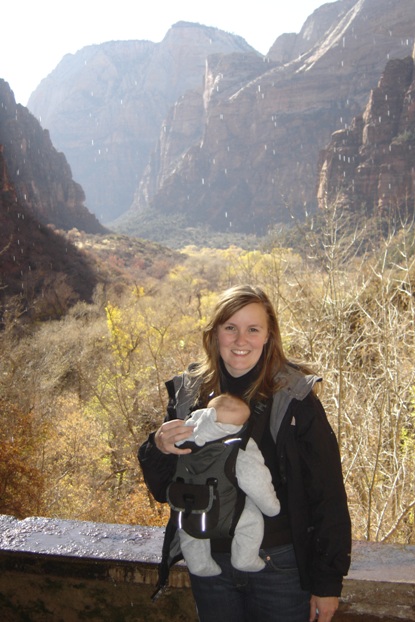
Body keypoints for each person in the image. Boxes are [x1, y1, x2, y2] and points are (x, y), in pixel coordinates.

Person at [138, 284, 351, 622]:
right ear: (215, 334)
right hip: (209, 561)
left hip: (279, 565)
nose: (241, 341)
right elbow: (162, 488)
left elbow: (327, 493)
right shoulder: (189, 394)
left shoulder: (294, 398)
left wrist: (327, 583)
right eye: (230, 328)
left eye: (253, 329)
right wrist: (159, 446)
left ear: (268, 336)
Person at [173, 393, 280, 576]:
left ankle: (199, 564)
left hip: (189, 503)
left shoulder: (182, 434)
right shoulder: (240, 445)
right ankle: (244, 558)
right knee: (252, 522)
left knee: (189, 531)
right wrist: (271, 507)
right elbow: (256, 480)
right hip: (228, 510)